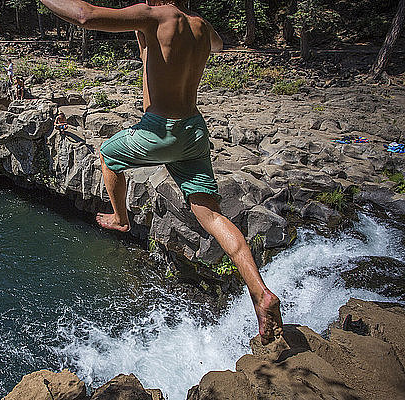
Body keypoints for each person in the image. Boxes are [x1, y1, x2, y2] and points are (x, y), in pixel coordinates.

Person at [39, 0, 283, 344]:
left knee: (109, 156)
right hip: (193, 131)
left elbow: (85, 15)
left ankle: (121, 217)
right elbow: (217, 45)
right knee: (210, 215)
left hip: (160, 131)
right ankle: (260, 293)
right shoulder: (199, 25)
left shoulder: (155, 15)